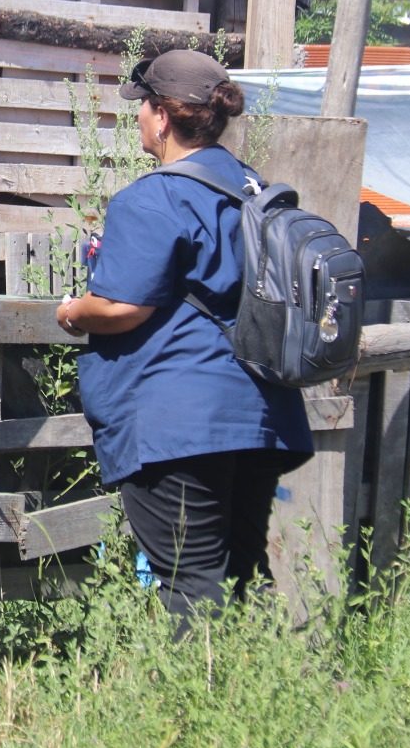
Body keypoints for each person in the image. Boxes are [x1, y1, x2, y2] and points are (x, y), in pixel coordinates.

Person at [54, 49, 313, 630]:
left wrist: (73, 311)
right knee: (242, 570)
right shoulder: (256, 190)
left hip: (181, 422)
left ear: (164, 118)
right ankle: (260, 678)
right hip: (260, 412)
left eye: (143, 107)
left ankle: (201, 687)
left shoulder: (153, 198)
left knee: (190, 580)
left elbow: (121, 306)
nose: (139, 118)